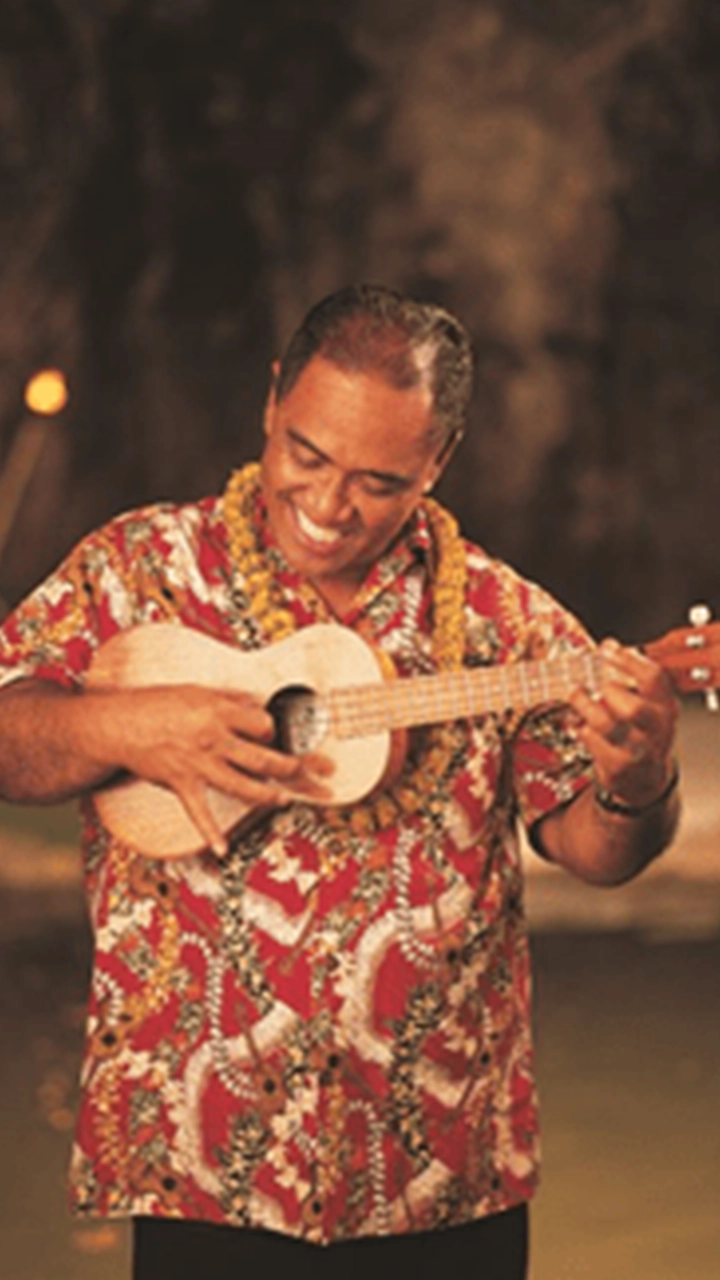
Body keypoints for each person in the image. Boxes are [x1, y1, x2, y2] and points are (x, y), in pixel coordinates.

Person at [0, 285, 679, 1280]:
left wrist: (638, 779)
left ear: (438, 462)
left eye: (377, 479)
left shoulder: (503, 617)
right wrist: (128, 722)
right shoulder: (136, 571)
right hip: (197, 1161)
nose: (326, 506)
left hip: (439, 1175)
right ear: (273, 399)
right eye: (307, 455)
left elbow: (599, 849)